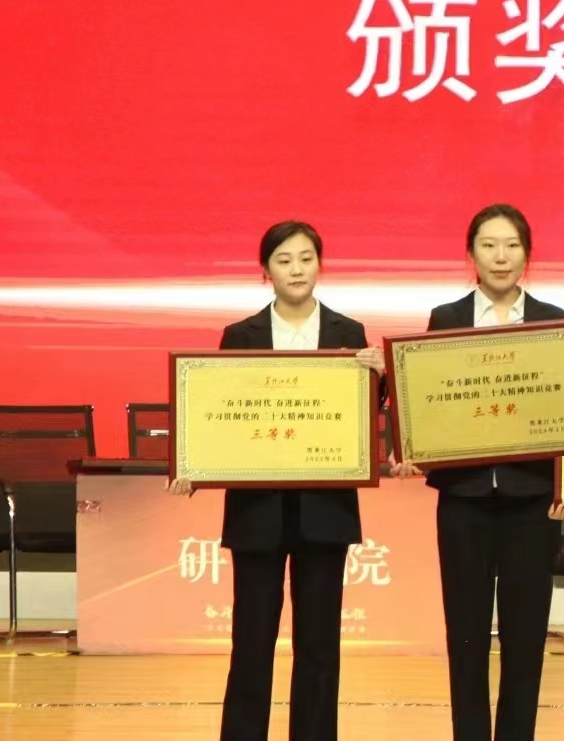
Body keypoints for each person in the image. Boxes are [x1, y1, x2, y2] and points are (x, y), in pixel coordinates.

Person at [169, 220, 386, 741]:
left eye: (306, 258)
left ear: (320, 265)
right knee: (251, 643)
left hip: (325, 512)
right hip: (257, 512)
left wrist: (379, 378)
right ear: (265, 270)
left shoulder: (349, 334)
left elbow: (361, 416)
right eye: (284, 260)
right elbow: (219, 413)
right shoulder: (239, 335)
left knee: (319, 647)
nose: (296, 269)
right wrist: (193, 462)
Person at [392, 203, 564, 741]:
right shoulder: (446, 319)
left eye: (512, 245)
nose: (501, 256)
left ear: (528, 254)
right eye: (489, 245)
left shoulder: (554, 321)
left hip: (532, 502)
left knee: (526, 638)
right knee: (467, 636)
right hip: (464, 501)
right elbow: (427, 402)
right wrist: (412, 445)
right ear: (471, 254)